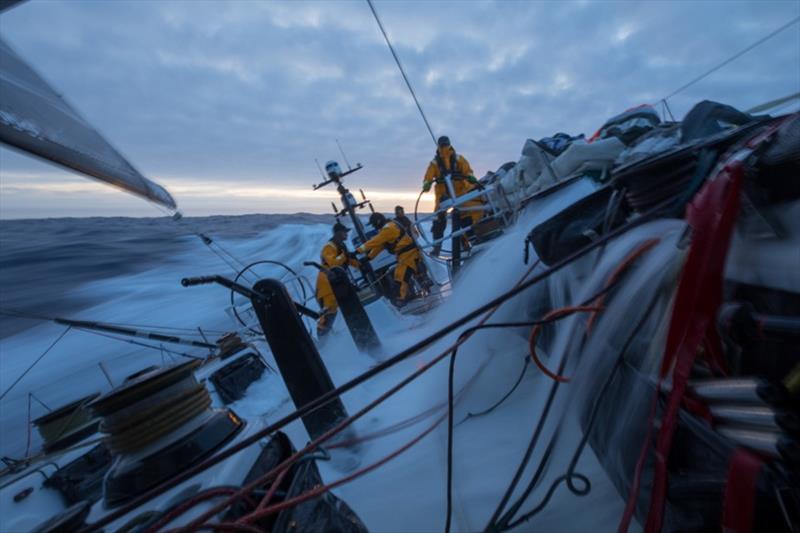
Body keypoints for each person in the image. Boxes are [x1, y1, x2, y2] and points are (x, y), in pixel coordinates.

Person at [422, 136, 485, 255]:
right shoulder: (435, 163)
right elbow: (428, 176)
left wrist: (471, 177)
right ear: (439, 146)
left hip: (460, 191)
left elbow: (467, 170)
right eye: (443, 145)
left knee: (466, 213)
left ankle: (469, 240)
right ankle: (437, 246)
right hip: (443, 194)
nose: (444, 147)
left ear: (450, 144)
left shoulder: (458, 159)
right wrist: (426, 184)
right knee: (438, 217)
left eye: (446, 145)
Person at [357, 212, 422, 305]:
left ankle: (401, 300)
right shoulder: (387, 228)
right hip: (405, 255)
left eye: (374, 224)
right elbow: (380, 245)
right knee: (400, 276)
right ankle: (404, 298)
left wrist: (358, 251)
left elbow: (375, 241)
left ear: (378, 221)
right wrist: (368, 257)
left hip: (409, 253)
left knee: (400, 277)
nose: (374, 227)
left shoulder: (388, 228)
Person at [315, 222, 360, 337]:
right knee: (330, 311)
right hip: (327, 282)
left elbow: (349, 261)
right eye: (345, 232)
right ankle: (322, 339)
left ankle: (356, 329)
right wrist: (346, 256)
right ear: (338, 233)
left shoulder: (341, 246)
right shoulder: (329, 247)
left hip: (338, 282)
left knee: (352, 300)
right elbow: (333, 263)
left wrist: (361, 263)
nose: (347, 234)